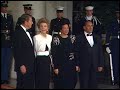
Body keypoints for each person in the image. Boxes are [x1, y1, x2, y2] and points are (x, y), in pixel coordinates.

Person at [74, 20, 104, 89]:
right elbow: (76, 52)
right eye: (88, 26)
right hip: (83, 65)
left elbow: (100, 52)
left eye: (91, 26)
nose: (90, 27)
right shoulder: (79, 38)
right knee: (84, 84)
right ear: (84, 27)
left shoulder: (97, 37)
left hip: (95, 65)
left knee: (94, 84)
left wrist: (100, 64)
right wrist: (77, 64)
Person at [51, 23, 77, 89]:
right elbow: (54, 54)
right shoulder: (56, 39)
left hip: (71, 65)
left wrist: (77, 64)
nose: (66, 29)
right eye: (64, 28)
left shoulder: (72, 38)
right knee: (60, 84)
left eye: (67, 28)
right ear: (61, 29)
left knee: (71, 83)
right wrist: (55, 67)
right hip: (60, 66)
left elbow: (76, 52)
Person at [13, 14, 35, 89]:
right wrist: (21, 65)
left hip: (30, 65)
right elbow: (16, 51)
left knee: (29, 85)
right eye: (31, 21)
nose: (32, 23)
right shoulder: (18, 32)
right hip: (23, 66)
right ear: (26, 22)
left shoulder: (28, 32)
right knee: (22, 85)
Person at [33, 18, 52, 89]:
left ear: (47, 28)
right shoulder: (36, 37)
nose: (43, 28)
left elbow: (51, 51)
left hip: (47, 59)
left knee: (46, 79)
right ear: (39, 28)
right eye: (41, 26)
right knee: (40, 79)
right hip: (39, 60)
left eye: (45, 26)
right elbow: (34, 51)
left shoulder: (50, 37)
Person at [1, 1, 14, 84]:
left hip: (8, 42)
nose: (5, 8)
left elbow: (12, 30)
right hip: (1, 42)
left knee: (7, 61)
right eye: (3, 7)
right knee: (2, 60)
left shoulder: (10, 17)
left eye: (6, 7)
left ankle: (6, 78)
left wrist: (12, 41)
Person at [106, 9, 119, 85]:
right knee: (115, 62)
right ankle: (115, 79)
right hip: (115, 44)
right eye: (117, 13)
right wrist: (107, 45)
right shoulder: (112, 23)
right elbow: (108, 34)